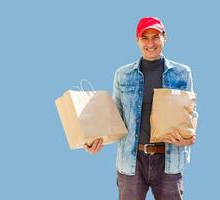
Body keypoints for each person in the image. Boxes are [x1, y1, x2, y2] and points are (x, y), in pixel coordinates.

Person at [85, 17, 198, 200]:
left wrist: (189, 138)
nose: (150, 43)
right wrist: (97, 140)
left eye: (155, 37)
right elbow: (115, 117)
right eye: (144, 38)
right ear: (137, 40)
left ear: (164, 38)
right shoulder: (123, 74)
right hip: (131, 161)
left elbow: (190, 112)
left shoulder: (182, 72)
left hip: (169, 160)